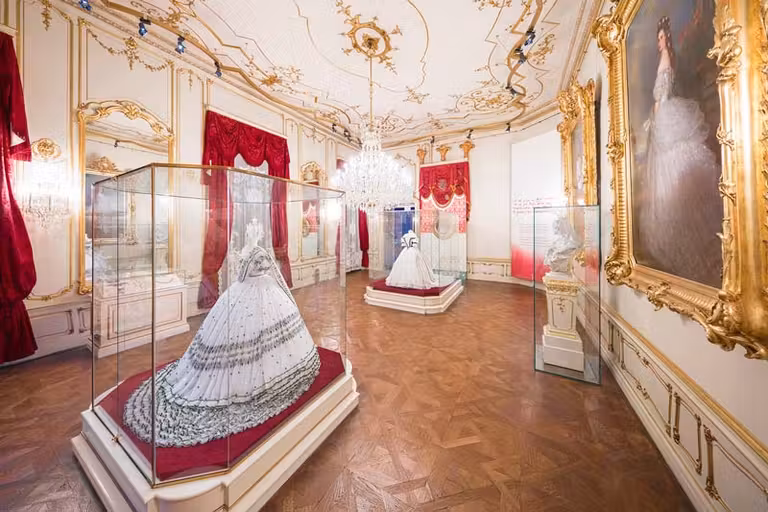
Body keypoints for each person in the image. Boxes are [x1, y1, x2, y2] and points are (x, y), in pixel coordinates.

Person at [123, 229, 320, 447]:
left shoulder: (258, 252)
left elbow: (257, 272)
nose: (253, 231)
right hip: (245, 294)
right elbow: (245, 274)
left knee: (268, 339)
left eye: (256, 230)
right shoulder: (250, 252)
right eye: (252, 230)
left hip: (265, 293)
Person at [635, 16, 722, 286]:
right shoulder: (669, 58)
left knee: (673, 165)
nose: (660, 42)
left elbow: (662, 94)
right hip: (665, 116)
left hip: (667, 115)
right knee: (670, 169)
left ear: (667, 39)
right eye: (658, 39)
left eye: (662, 38)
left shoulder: (666, 60)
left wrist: (657, 115)